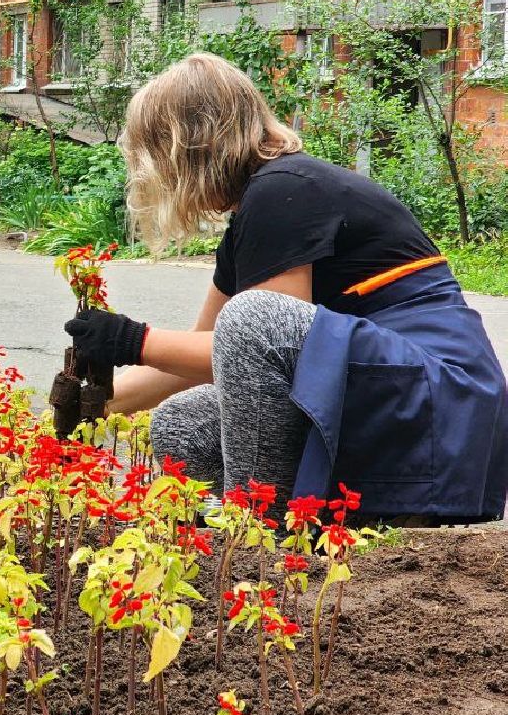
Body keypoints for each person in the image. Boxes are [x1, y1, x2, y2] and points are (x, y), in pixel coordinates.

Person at [64, 52, 508, 523]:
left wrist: (133, 341)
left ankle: (261, 540)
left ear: (188, 148)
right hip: (399, 403)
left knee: (252, 319)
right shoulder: (263, 205)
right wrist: (86, 411)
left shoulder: (282, 191)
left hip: (440, 411)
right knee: (184, 423)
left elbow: (256, 339)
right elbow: (200, 360)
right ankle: (306, 538)